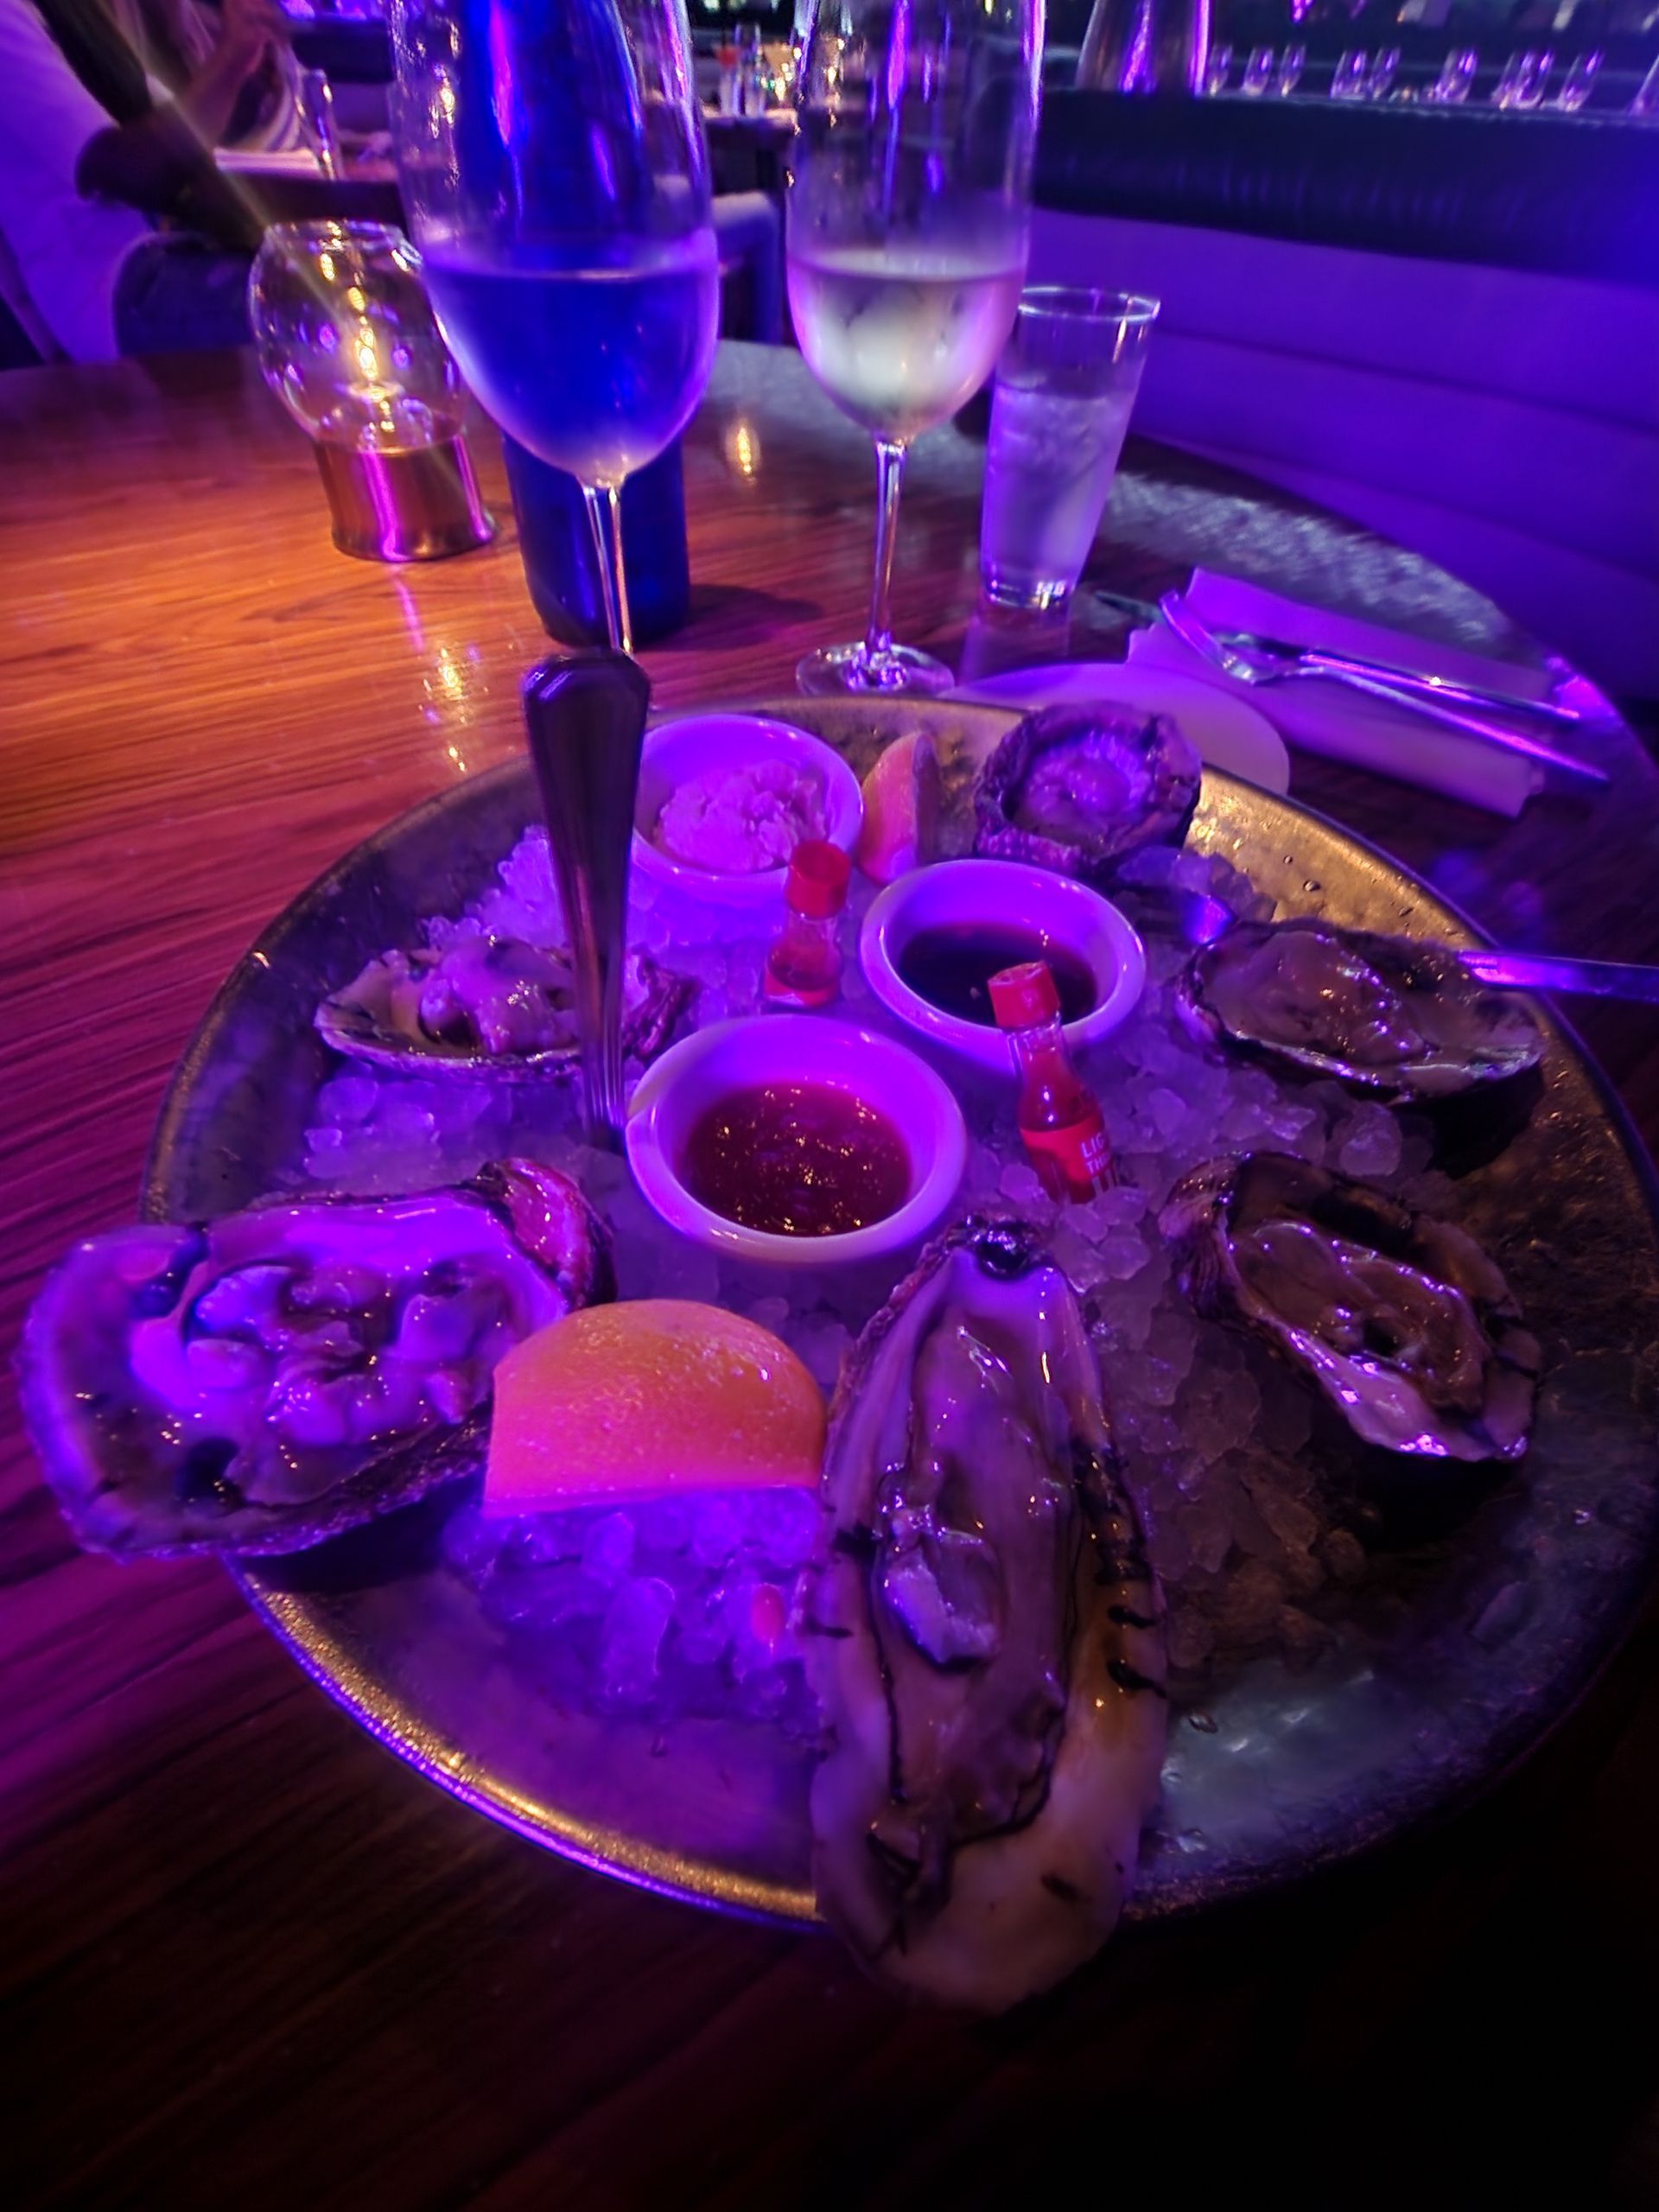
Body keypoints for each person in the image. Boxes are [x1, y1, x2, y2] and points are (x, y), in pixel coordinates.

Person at [0, 0, 287, 361]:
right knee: (330, 313)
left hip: (175, 256)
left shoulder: (77, 16)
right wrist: (230, 60)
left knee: (347, 277)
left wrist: (248, 75)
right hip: (117, 289)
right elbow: (132, 170)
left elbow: (183, 136)